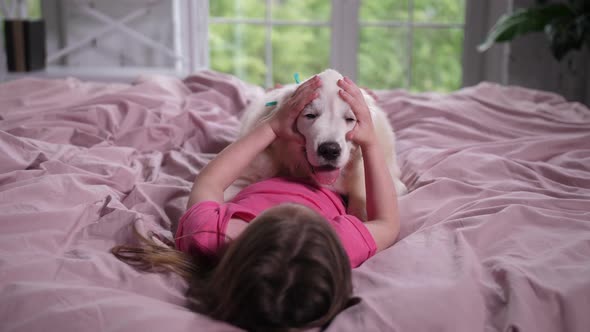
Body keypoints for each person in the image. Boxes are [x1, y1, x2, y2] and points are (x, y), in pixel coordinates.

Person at [112, 75, 400, 331]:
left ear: (244, 241)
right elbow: (386, 221)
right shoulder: (338, 246)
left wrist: (273, 126)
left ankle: (279, 93)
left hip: (272, 162)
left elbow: (210, 182)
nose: (294, 210)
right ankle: (292, 94)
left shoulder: (209, 236)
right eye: (308, 219)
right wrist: (370, 141)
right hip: (327, 181)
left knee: (286, 104)